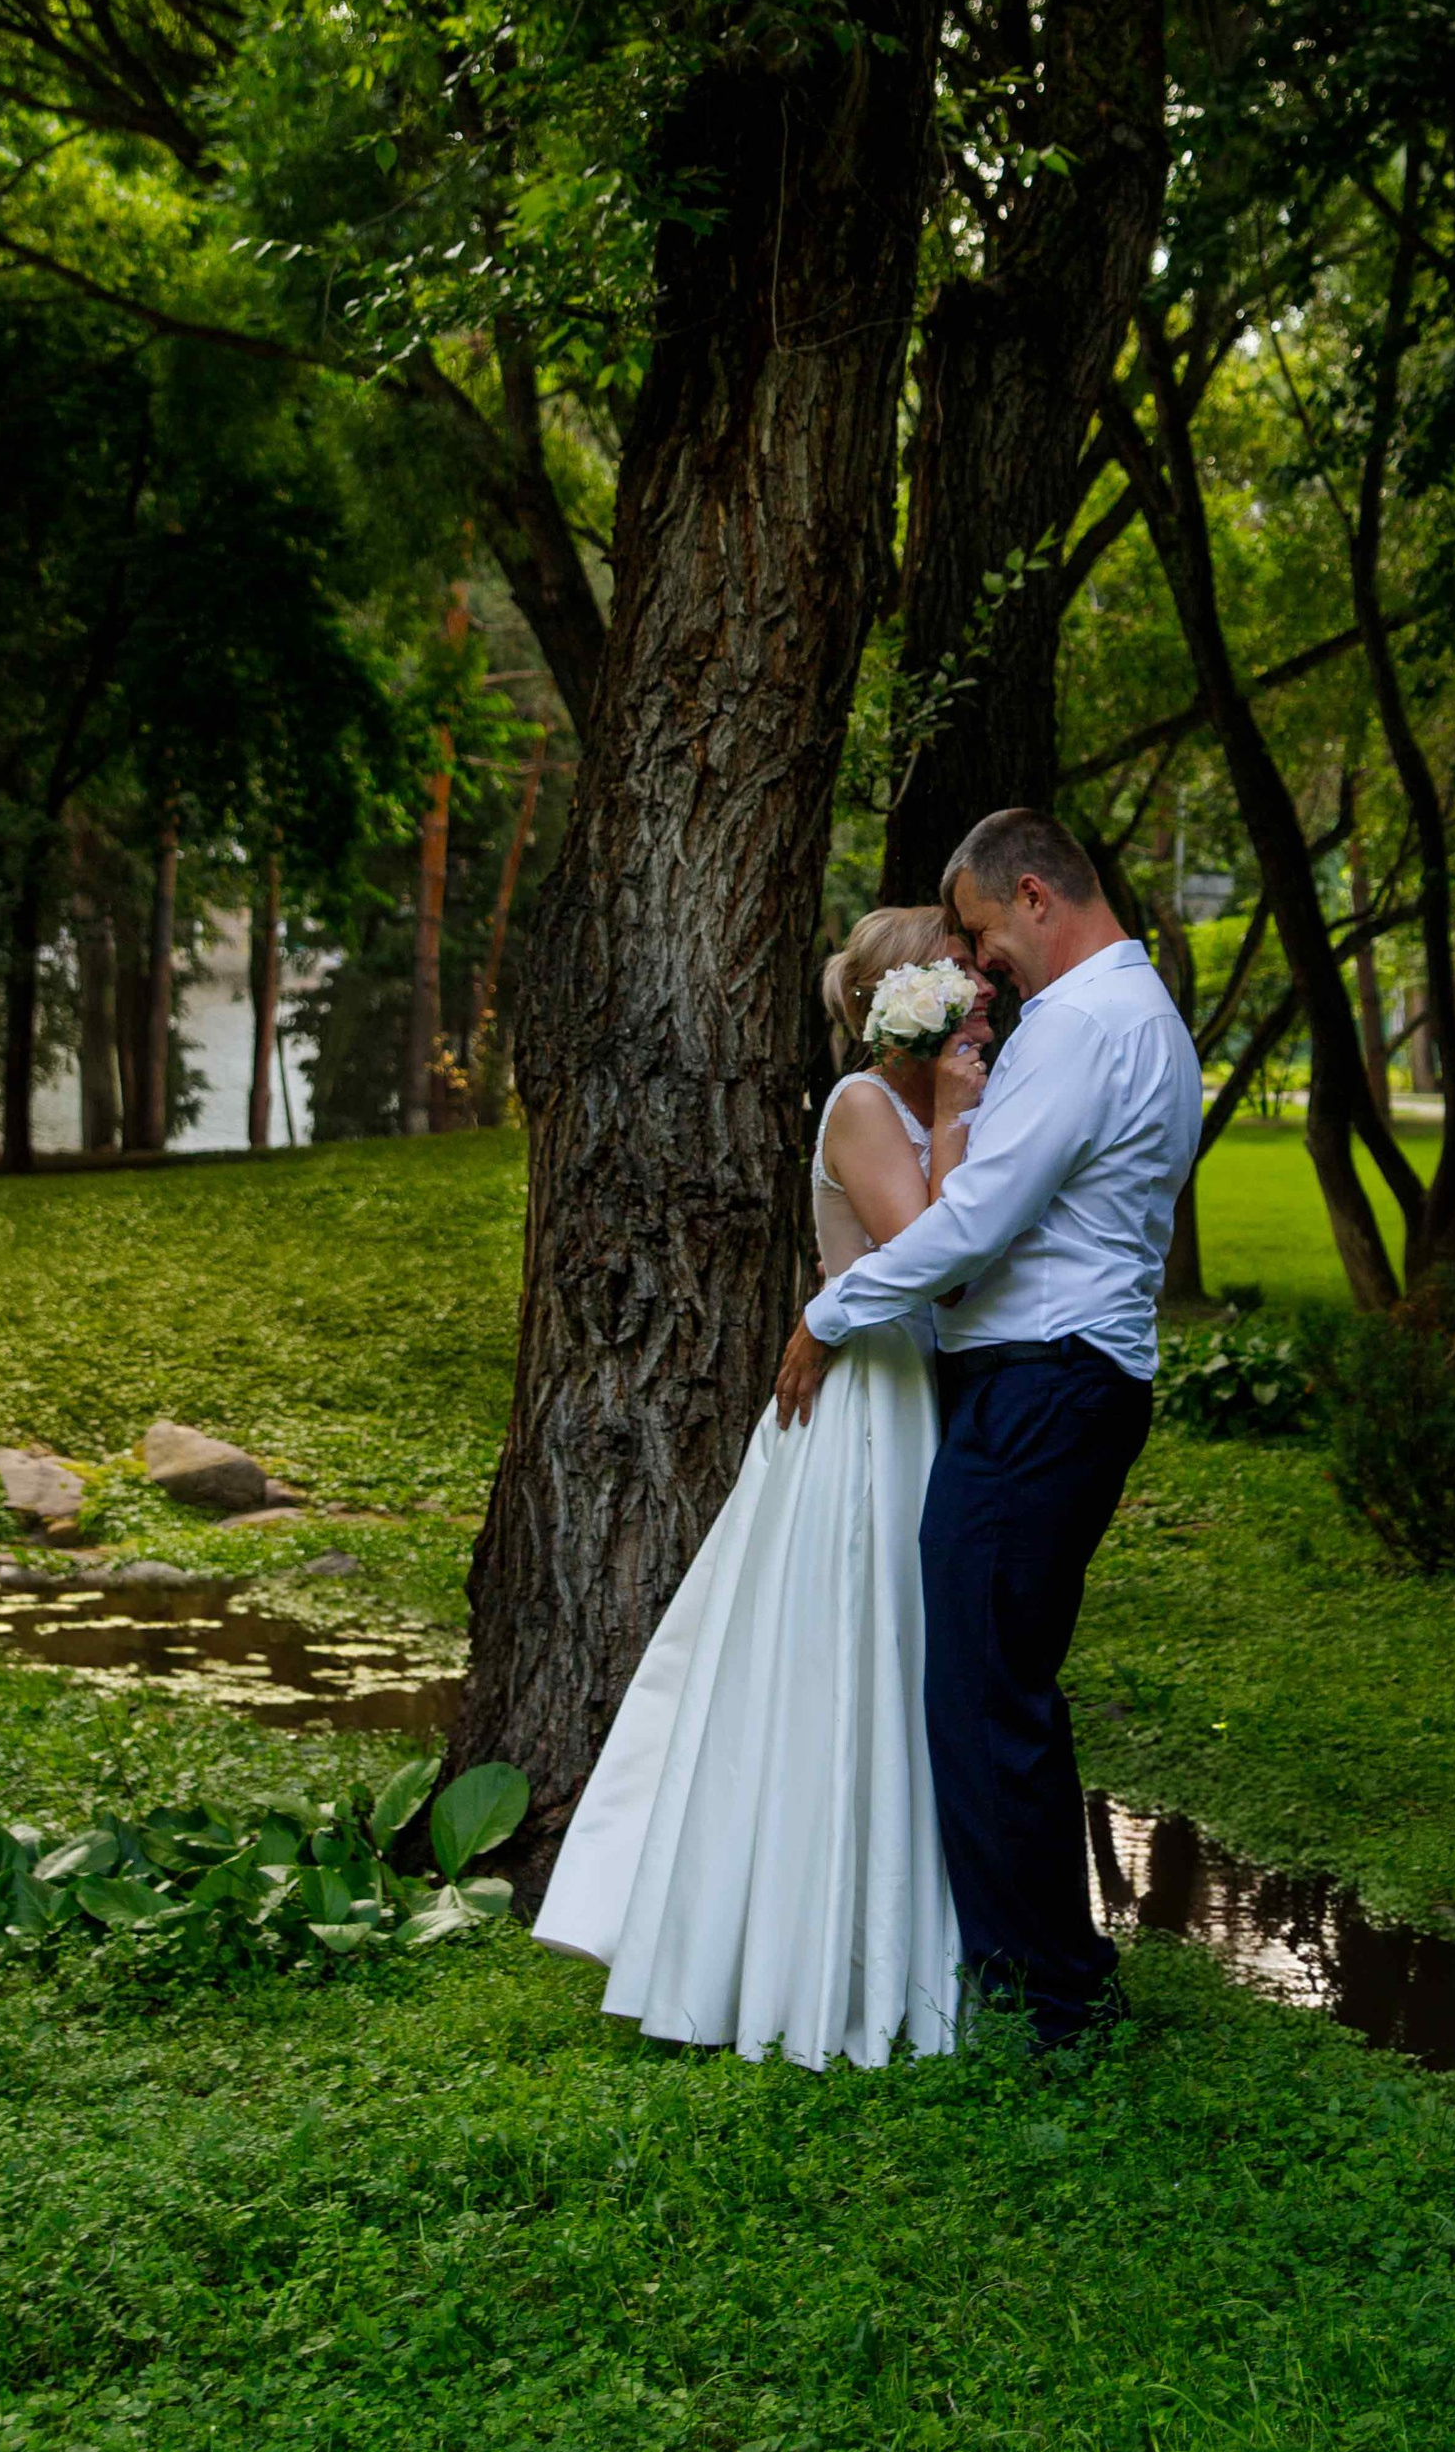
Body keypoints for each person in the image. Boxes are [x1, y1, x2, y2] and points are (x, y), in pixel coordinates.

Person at [530, 905, 991, 2069]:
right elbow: (927, 1249)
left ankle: (917, 1936)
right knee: (841, 1653)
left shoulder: (943, 1100)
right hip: (868, 1408)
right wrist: (947, 1111)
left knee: (912, 1654)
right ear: (905, 998)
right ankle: (790, 1947)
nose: (980, 983)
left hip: (924, 1399)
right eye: (956, 969)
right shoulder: (859, 1105)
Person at [776, 807, 1203, 2048]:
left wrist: (828, 1310)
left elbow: (971, 1227)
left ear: (1031, 894)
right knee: (1000, 1680)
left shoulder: (1082, 1024)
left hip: (1043, 1382)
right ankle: (1045, 1969)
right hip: (1063, 1379)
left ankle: (1047, 1997)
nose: (977, 964)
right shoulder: (1140, 1013)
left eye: (976, 931)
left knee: (981, 1691)